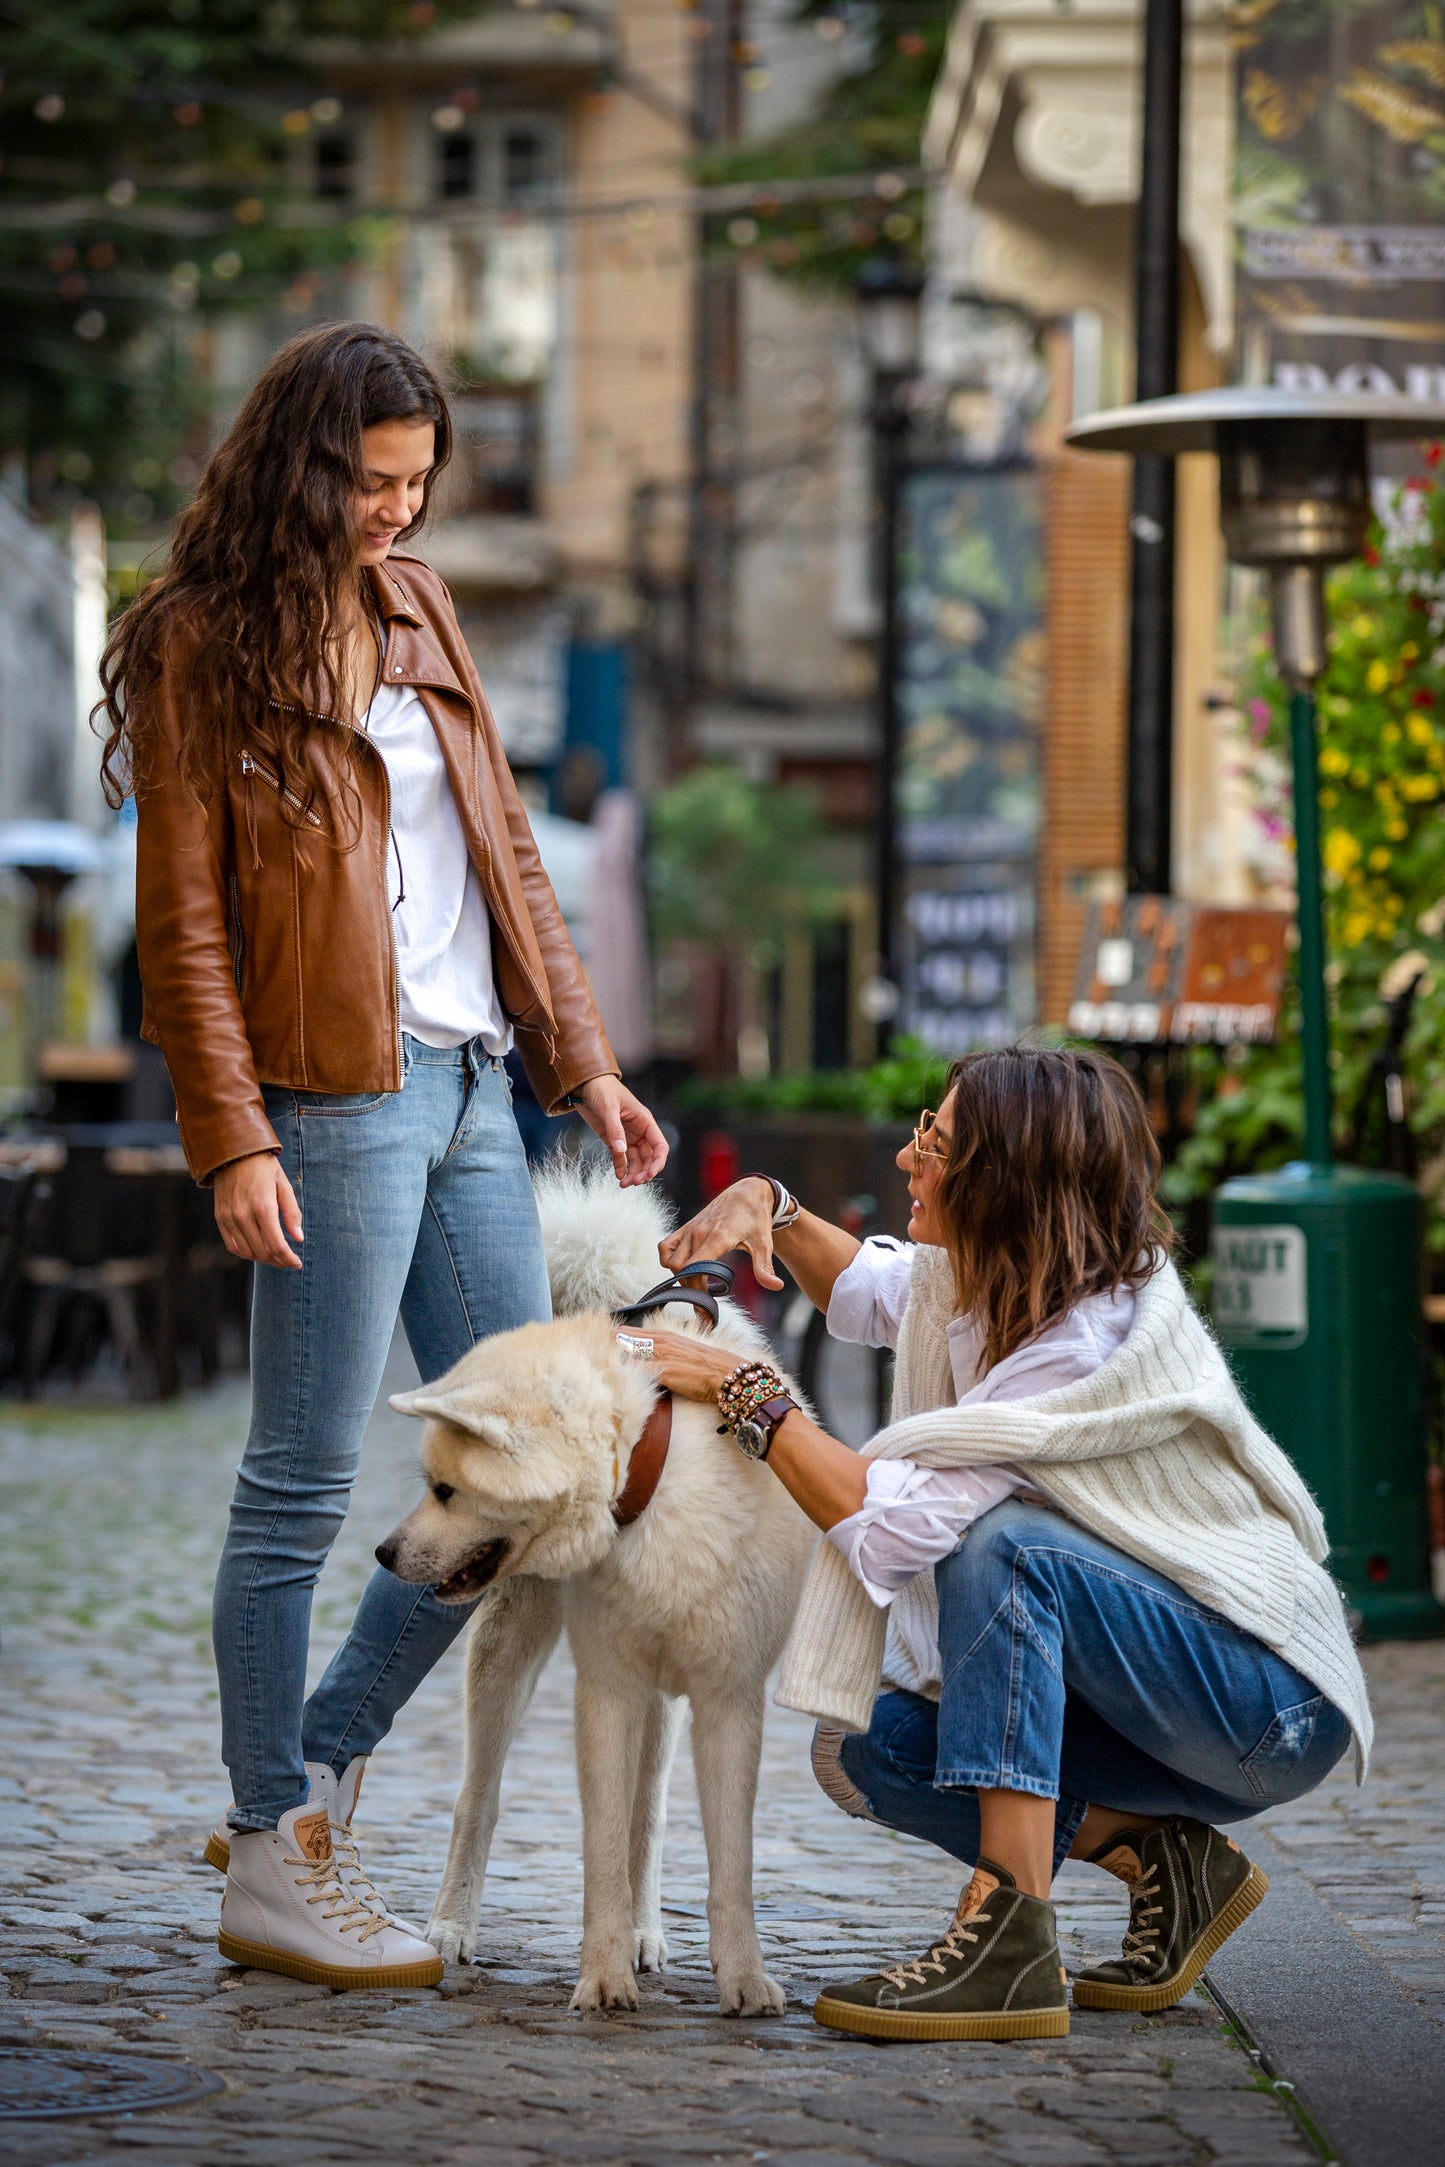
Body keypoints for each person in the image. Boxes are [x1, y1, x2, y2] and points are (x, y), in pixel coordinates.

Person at [97, 321, 668, 1991]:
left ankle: (314, 1766)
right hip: (328, 1104)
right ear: (299, 461)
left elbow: (508, 860)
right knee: (293, 1479)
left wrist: (586, 1058)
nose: (393, 514)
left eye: (417, 484)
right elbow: (184, 924)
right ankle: (275, 1849)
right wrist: (230, 1135)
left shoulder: (420, 607)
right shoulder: (202, 641)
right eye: (367, 480)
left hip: (478, 1089)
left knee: (520, 1475)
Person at [642, 1046, 1367, 2042]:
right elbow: (865, 1285)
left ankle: (1006, 1944)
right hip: (1164, 1702)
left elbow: (890, 1527)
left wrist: (742, 1389)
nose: (906, 1156)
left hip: (1264, 1698)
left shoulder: (1086, 1341)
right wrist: (763, 1203)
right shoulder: (995, 1283)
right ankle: (1169, 1860)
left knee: (1001, 1544)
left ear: (1007, 1180)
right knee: (870, 1750)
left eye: (933, 1144)